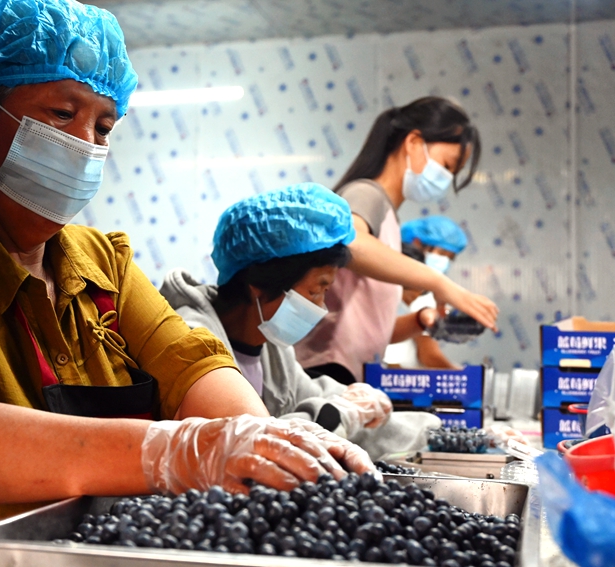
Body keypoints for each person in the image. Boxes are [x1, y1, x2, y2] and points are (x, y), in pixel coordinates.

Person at [0, 1, 373, 565]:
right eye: (62, 114)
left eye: (104, 126)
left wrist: (261, 440)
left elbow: (192, 363)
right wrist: (178, 450)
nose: (86, 144)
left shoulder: (104, 262)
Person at [161, 184, 441, 460]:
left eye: (325, 292)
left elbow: (308, 395)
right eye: (314, 291)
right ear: (259, 284)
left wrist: (431, 432)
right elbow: (248, 441)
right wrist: (344, 411)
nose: (320, 306)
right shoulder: (194, 339)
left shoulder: (272, 349)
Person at [294, 96, 499, 384]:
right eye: (447, 166)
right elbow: (350, 242)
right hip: (325, 372)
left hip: (351, 374)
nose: (447, 179)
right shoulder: (366, 194)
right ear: (413, 142)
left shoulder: (388, 214)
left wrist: (420, 320)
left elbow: (372, 329)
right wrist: (439, 283)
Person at [384, 216, 469, 369]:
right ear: (417, 243)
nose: (444, 262)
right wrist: (464, 378)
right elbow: (429, 356)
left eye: (450, 258)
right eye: (442, 253)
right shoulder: (417, 299)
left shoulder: (426, 299)